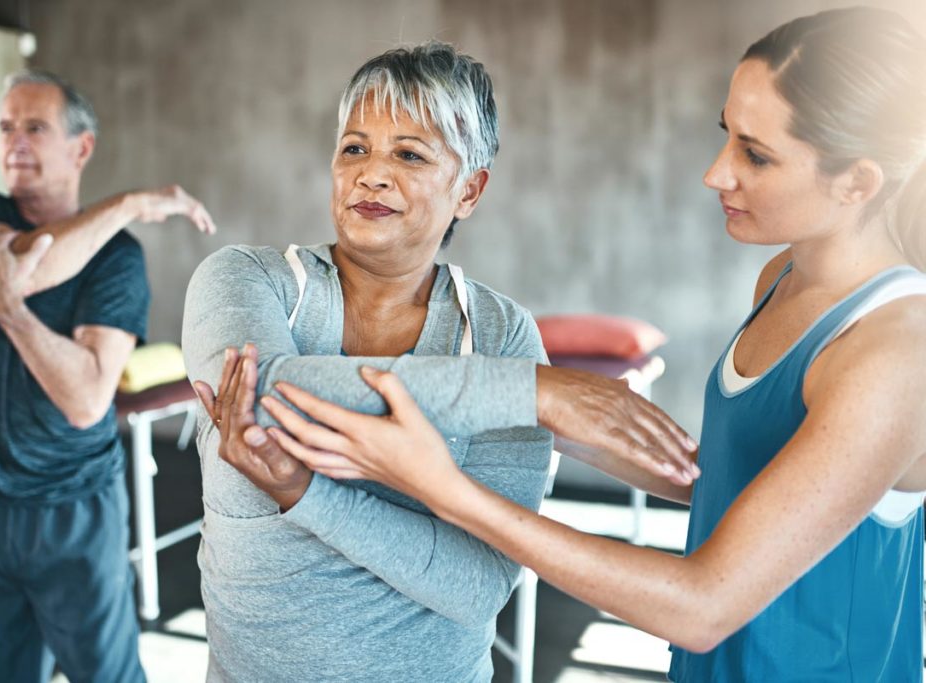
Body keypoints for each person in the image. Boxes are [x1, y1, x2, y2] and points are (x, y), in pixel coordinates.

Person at [248, 8, 926, 682]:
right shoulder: (780, 278)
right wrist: (546, 414)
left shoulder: (894, 353)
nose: (716, 173)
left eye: (756, 153)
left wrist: (444, 486)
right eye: (728, 135)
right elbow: (746, 481)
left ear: (857, 182)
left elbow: (703, 604)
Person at [184, 42, 695, 682]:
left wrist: (305, 492)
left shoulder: (500, 336)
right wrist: (530, 393)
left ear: (469, 190)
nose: (371, 174)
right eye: (354, 148)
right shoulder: (247, 280)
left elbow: (477, 586)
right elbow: (262, 396)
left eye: (409, 153)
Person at [0, 69, 215, 683]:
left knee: (105, 675)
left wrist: (10, 311)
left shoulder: (117, 258)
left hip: (69, 510)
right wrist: (134, 204)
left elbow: (87, 401)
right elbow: (12, 269)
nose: (15, 142)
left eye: (35, 127)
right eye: (6, 127)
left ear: (81, 148)